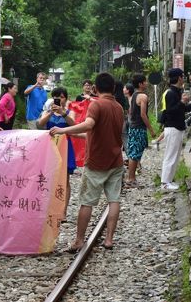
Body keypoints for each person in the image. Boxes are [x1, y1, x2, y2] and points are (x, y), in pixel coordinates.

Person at [49, 72, 124, 251]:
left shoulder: (96, 105)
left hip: (96, 162)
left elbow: (89, 125)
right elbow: (94, 133)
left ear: (96, 88)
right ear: (113, 88)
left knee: (87, 202)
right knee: (113, 200)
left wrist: (62, 130)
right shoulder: (119, 107)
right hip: (116, 161)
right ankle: (109, 240)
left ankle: (79, 240)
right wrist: (70, 132)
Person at [38, 87, 77, 218]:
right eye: (56, 97)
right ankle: (49, 208)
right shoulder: (47, 112)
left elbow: (74, 125)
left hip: (65, 147)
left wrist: (62, 112)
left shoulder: (70, 112)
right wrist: (50, 112)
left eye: (61, 97)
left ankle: (63, 210)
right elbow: (39, 124)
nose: (59, 99)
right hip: (49, 148)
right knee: (48, 179)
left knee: (65, 180)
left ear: (66, 98)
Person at [160, 68, 191, 190]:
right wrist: (182, 102)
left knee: (175, 156)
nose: (184, 78)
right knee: (170, 155)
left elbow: (182, 109)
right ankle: (165, 182)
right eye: (183, 76)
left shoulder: (176, 92)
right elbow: (170, 111)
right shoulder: (171, 93)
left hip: (178, 127)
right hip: (172, 127)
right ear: (179, 78)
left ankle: (169, 180)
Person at [125, 74, 157, 187]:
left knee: (133, 151)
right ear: (140, 84)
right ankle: (131, 179)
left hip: (132, 127)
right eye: (145, 82)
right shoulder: (143, 96)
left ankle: (130, 177)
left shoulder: (133, 95)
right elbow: (143, 115)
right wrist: (151, 130)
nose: (147, 84)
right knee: (135, 153)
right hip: (139, 127)